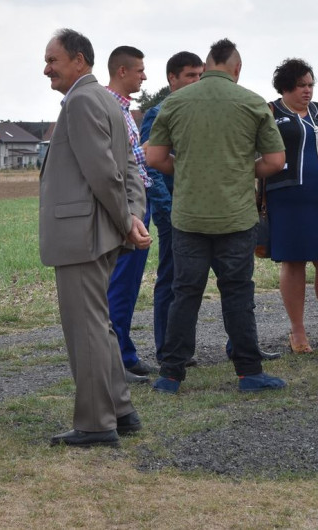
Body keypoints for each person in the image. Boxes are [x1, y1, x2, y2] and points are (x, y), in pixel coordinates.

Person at [145, 38, 287, 395]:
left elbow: (154, 157)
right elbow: (275, 161)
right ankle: (249, 372)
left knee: (185, 293)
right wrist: (240, 170)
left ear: (206, 66)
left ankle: (171, 374)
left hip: (188, 217)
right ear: (236, 69)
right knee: (238, 293)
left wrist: (188, 170)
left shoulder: (175, 102)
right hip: (236, 218)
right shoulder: (253, 102)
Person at [39, 28, 150, 447]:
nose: (46, 68)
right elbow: (132, 168)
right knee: (99, 327)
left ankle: (94, 424)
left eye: (53, 60)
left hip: (82, 235)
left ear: (79, 61)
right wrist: (133, 215)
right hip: (97, 233)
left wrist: (126, 220)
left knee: (85, 330)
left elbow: (105, 172)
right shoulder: (106, 99)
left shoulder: (84, 100)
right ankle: (120, 409)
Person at [265, 58, 318, 354]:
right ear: (285, 86)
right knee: (294, 261)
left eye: (311, 84)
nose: (307, 90)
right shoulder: (270, 112)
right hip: (287, 198)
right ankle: (298, 331)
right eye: (301, 85)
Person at [139, 51, 203, 362]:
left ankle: (240, 347)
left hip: (203, 209)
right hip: (175, 212)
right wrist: (166, 212)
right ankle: (167, 349)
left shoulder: (202, 109)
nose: (196, 81)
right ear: (172, 78)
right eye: (190, 76)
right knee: (172, 279)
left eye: (200, 75)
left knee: (228, 281)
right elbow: (150, 166)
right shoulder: (158, 112)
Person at [102, 46, 155, 381]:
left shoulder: (124, 110)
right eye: (139, 70)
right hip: (125, 208)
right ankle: (116, 358)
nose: (144, 76)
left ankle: (124, 351)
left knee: (129, 284)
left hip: (137, 202)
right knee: (119, 284)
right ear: (121, 71)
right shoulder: (108, 108)